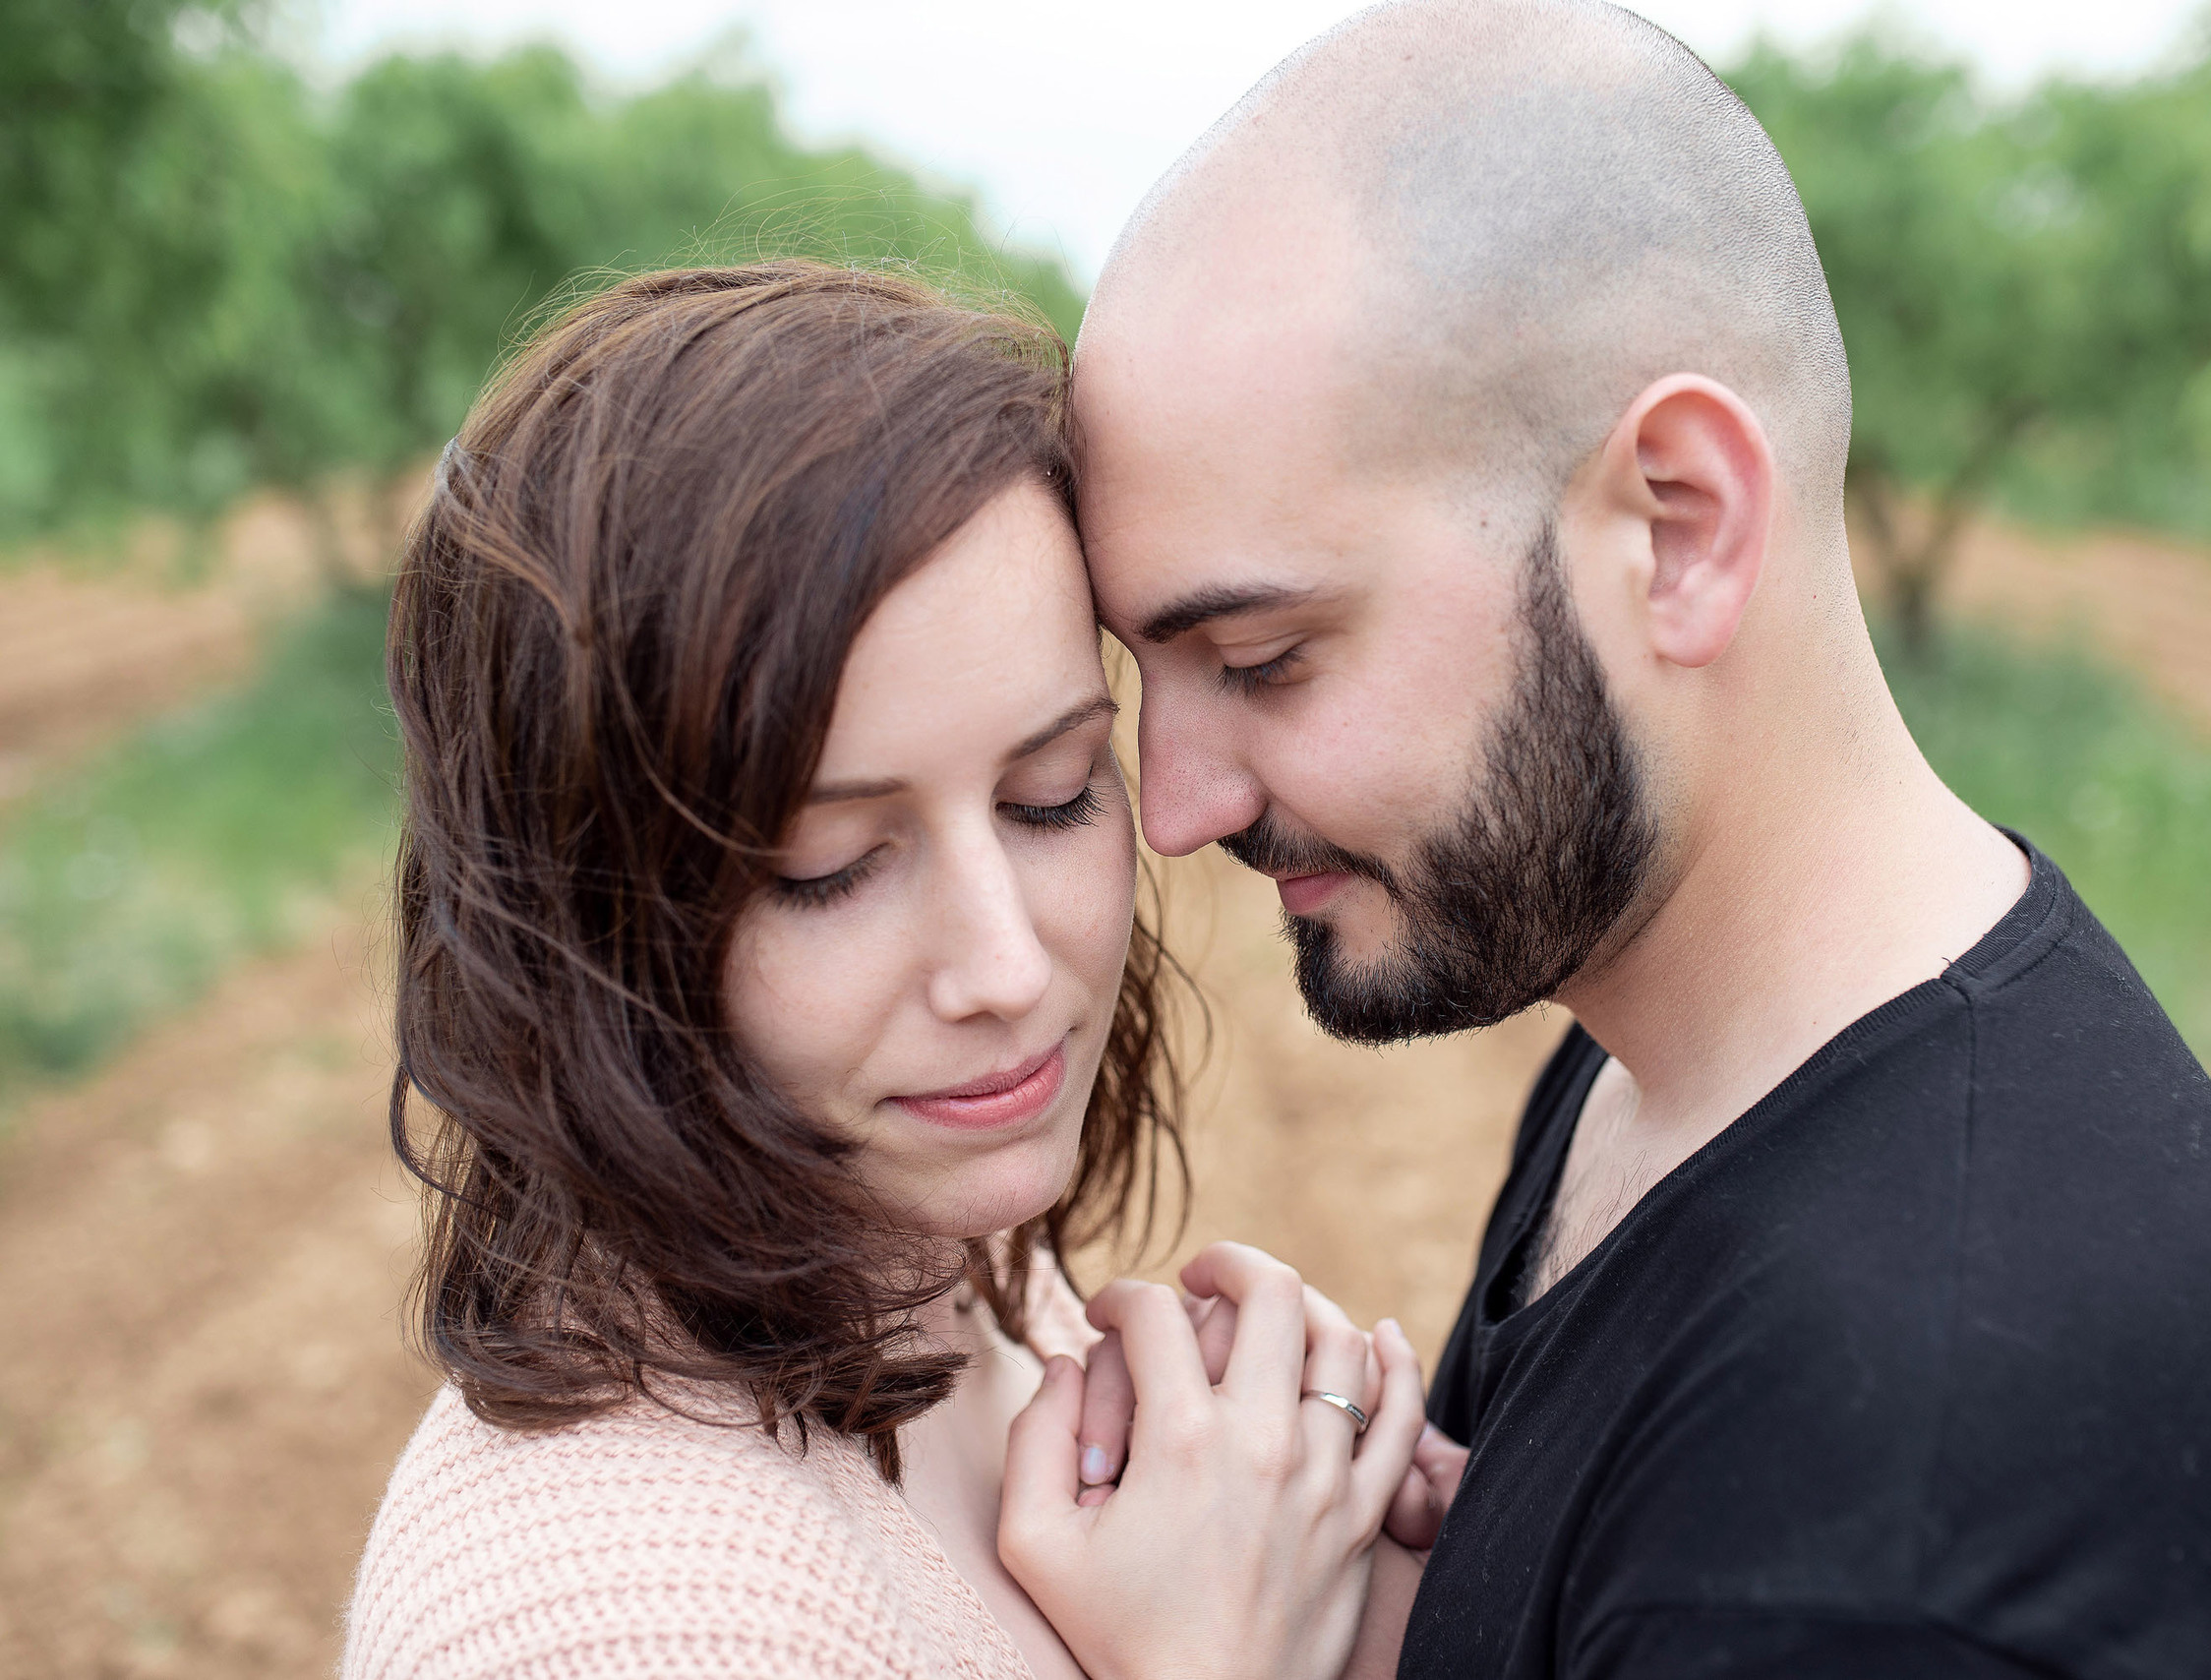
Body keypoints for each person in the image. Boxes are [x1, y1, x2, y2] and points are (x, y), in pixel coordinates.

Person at [1068, 2, 2211, 1674]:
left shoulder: (1914, 1532)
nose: (1177, 808)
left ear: (1677, 528)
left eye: (1262, 661)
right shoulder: (1653, 1077)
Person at [343, 261, 1429, 1680]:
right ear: (577, 913)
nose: (1005, 964)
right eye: (826, 867)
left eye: (1051, 793)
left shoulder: (944, 1293)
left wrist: (1346, 1557)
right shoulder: (622, 1624)